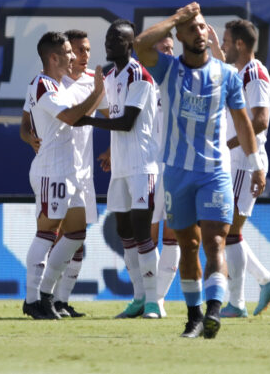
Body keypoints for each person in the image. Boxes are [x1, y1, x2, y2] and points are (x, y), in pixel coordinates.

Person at [133, 2, 266, 339]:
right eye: (191, 28)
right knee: (187, 245)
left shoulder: (227, 75)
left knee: (215, 241)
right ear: (178, 36)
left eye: (203, 27)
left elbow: (244, 123)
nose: (200, 32)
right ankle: (193, 317)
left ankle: (214, 311)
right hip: (177, 173)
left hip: (214, 172)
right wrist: (177, 16)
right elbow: (139, 45)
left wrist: (255, 165)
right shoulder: (167, 69)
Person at [75, 19, 162, 320]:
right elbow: (107, 111)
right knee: (124, 230)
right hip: (121, 168)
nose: (109, 42)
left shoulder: (139, 74)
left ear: (130, 44)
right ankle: (139, 297)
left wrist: (87, 121)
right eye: (109, 37)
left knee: (141, 231)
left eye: (117, 38)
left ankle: (154, 302)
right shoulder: (111, 76)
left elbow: (126, 122)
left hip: (142, 165)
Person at [21, 31, 104, 319]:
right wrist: (97, 93)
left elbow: (72, 116)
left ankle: (47, 294)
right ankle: (33, 299)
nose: (73, 56)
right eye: (68, 52)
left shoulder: (51, 86)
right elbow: (71, 117)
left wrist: (96, 93)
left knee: (76, 232)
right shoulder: (44, 86)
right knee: (47, 234)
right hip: (52, 171)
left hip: (69, 171)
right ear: (53, 57)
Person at [219, 19, 270, 318]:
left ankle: (237, 302)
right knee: (229, 230)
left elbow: (260, 121)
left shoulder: (255, 74)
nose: (223, 45)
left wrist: (228, 145)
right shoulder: (240, 72)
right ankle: (265, 281)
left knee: (229, 232)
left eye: (226, 41)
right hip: (239, 159)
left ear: (240, 45)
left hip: (246, 159)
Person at [151, 33, 180, 318]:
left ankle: (157, 298)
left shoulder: (182, 80)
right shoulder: (143, 82)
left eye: (172, 48)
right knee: (145, 237)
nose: (169, 53)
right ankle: (146, 295)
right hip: (145, 168)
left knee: (172, 235)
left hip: (173, 167)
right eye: (163, 49)